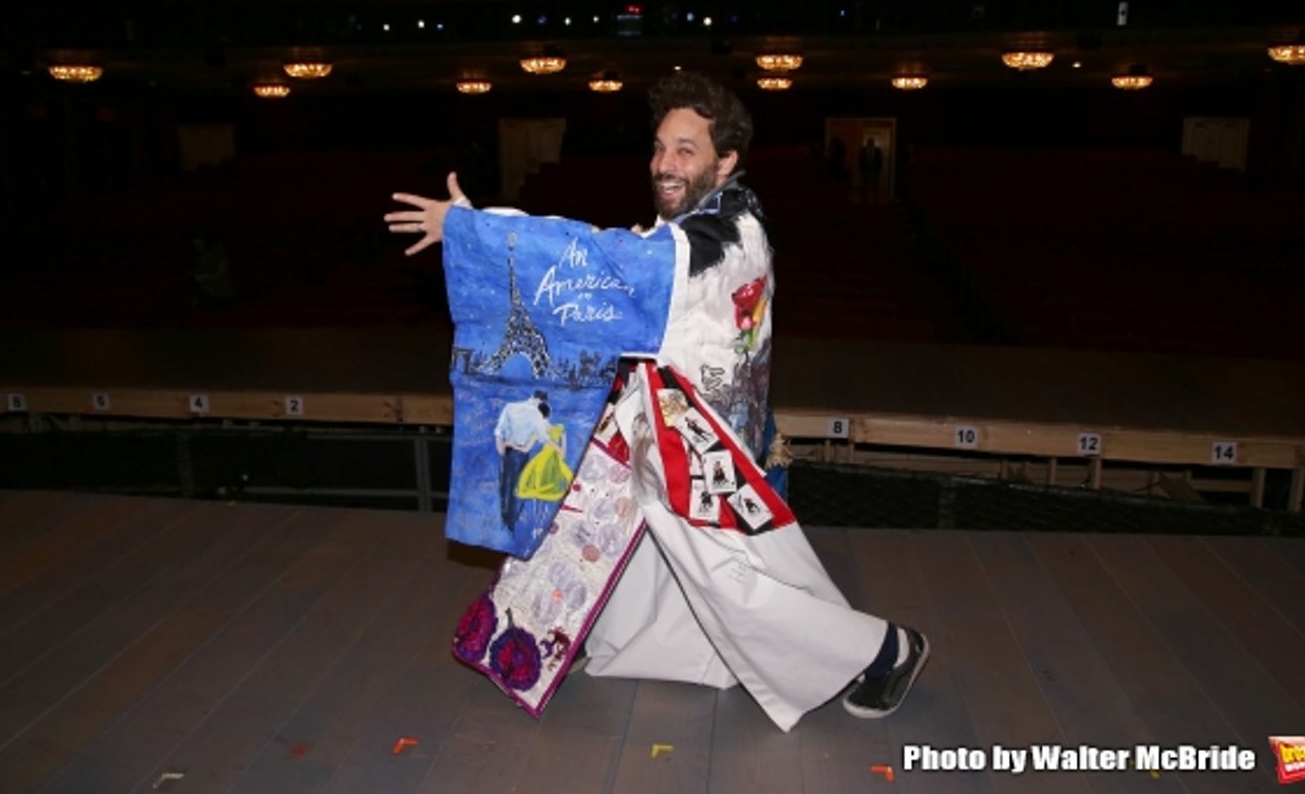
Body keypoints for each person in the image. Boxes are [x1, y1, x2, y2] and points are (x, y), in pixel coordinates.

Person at [384, 72, 928, 729]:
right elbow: (630, 258)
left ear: (725, 160)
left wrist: (475, 231)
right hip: (677, 422)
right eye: (660, 146)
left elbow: (610, 263)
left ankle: (885, 649)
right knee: (597, 533)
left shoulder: (712, 243)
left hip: (699, 444)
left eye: (686, 149)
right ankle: (576, 636)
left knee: (732, 581)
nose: (665, 164)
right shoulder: (729, 216)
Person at [493, 390, 549, 530]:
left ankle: (503, 524)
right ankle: (511, 525)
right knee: (517, 491)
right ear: (542, 401)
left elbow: (499, 432)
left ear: (532, 396)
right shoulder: (538, 414)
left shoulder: (510, 406)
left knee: (504, 488)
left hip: (508, 451)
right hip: (521, 454)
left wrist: (502, 450)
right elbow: (543, 437)